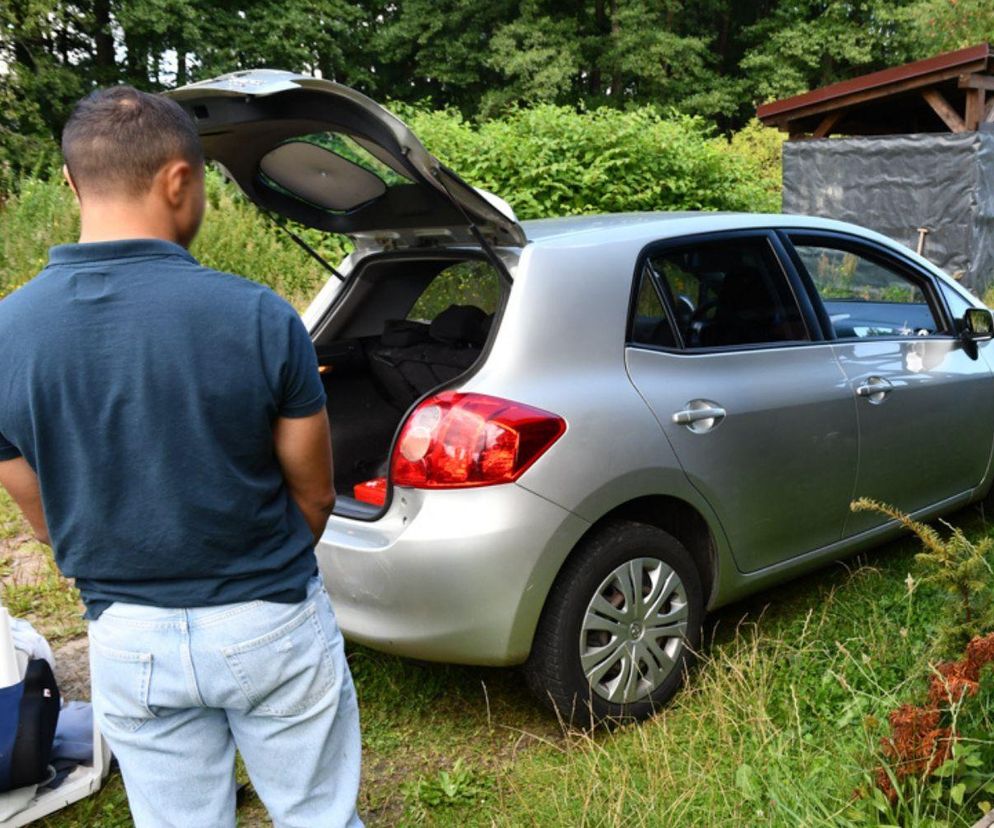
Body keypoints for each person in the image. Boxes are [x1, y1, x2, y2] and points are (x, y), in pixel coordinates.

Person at [0, 86, 362, 828]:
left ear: (71, 182)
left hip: (126, 634)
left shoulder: (6, 332)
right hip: (268, 619)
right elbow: (315, 496)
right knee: (319, 817)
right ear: (179, 180)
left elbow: (39, 516)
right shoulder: (260, 315)